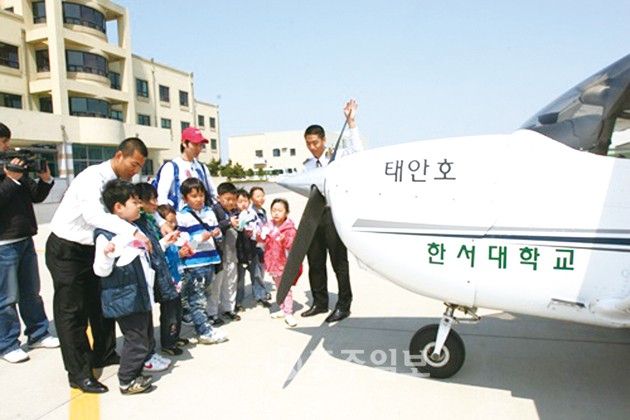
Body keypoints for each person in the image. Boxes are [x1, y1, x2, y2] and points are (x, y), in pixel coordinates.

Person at [45, 137, 150, 394]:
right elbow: (94, 216)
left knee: (100, 305)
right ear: (119, 156)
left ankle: (104, 353)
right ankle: (79, 373)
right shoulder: (91, 178)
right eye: (133, 165)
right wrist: (132, 232)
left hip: (95, 249)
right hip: (68, 249)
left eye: (139, 167)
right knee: (73, 313)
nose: (135, 171)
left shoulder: (119, 183)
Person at [0, 122, 59, 363]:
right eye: (4, 142)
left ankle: (38, 333)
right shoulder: (10, 173)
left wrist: (45, 179)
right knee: (5, 299)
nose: (7, 146)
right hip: (3, 244)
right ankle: (7, 344)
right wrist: (11, 180)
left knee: (31, 293)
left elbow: (35, 196)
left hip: (24, 239)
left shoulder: (14, 168)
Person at [301, 99, 363, 323]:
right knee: (315, 262)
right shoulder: (306, 165)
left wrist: (351, 122)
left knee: (339, 263)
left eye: (315, 142)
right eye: (308, 143)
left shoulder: (338, 157)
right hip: (314, 215)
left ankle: (344, 305)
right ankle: (319, 302)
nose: (312, 147)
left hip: (333, 214)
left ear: (324, 140)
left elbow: (357, 151)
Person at [93, 179, 157, 395]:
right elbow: (100, 270)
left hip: (139, 295)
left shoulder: (133, 229)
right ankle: (126, 380)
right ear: (118, 207)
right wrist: (107, 255)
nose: (139, 206)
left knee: (144, 337)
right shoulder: (106, 235)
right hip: (125, 298)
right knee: (136, 340)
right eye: (134, 202)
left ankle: (136, 373)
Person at [135, 183, 187, 357]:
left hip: (169, 272)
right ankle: (168, 342)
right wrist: (165, 242)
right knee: (169, 310)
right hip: (159, 273)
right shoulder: (138, 224)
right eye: (151, 200)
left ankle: (174, 337)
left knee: (176, 308)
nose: (155, 204)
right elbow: (151, 250)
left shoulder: (150, 220)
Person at [176, 178, 228, 345]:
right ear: (184, 198)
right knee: (197, 299)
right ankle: (203, 331)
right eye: (194, 196)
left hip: (210, 260)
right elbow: (184, 243)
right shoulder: (182, 216)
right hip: (194, 263)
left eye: (201, 195)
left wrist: (217, 233)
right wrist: (198, 238)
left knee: (205, 295)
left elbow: (216, 234)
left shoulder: (209, 212)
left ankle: (202, 324)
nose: (199, 199)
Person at [155, 126, 217, 214]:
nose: (198, 148)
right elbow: (162, 196)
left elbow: (213, 194)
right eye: (195, 144)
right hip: (180, 217)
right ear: (184, 143)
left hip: (201, 217)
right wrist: (167, 216)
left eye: (201, 145)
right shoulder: (172, 167)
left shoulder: (202, 167)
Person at [258, 198, 298, 327]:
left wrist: (284, 240)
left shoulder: (289, 229)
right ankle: (282, 308)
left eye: (280, 210)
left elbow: (293, 246)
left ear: (286, 212)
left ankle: (288, 312)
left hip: (284, 263)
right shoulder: (268, 226)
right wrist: (260, 235)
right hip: (272, 262)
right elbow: (261, 241)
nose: (276, 213)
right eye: (274, 210)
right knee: (279, 286)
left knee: (286, 288)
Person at [208, 182, 240, 325]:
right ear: (219, 197)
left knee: (230, 282)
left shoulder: (235, 211)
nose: (231, 202)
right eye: (227, 199)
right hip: (219, 255)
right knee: (216, 285)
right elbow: (213, 228)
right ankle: (212, 313)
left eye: (233, 199)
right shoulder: (213, 211)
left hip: (231, 253)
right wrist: (228, 222)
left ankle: (229, 308)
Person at [234, 189, 268, 310]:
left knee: (256, 274)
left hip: (253, 249)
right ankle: (238, 302)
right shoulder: (235, 216)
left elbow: (259, 226)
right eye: (240, 202)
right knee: (239, 279)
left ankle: (261, 296)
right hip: (240, 252)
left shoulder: (252, 214)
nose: (243, 204)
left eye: (245, 201)